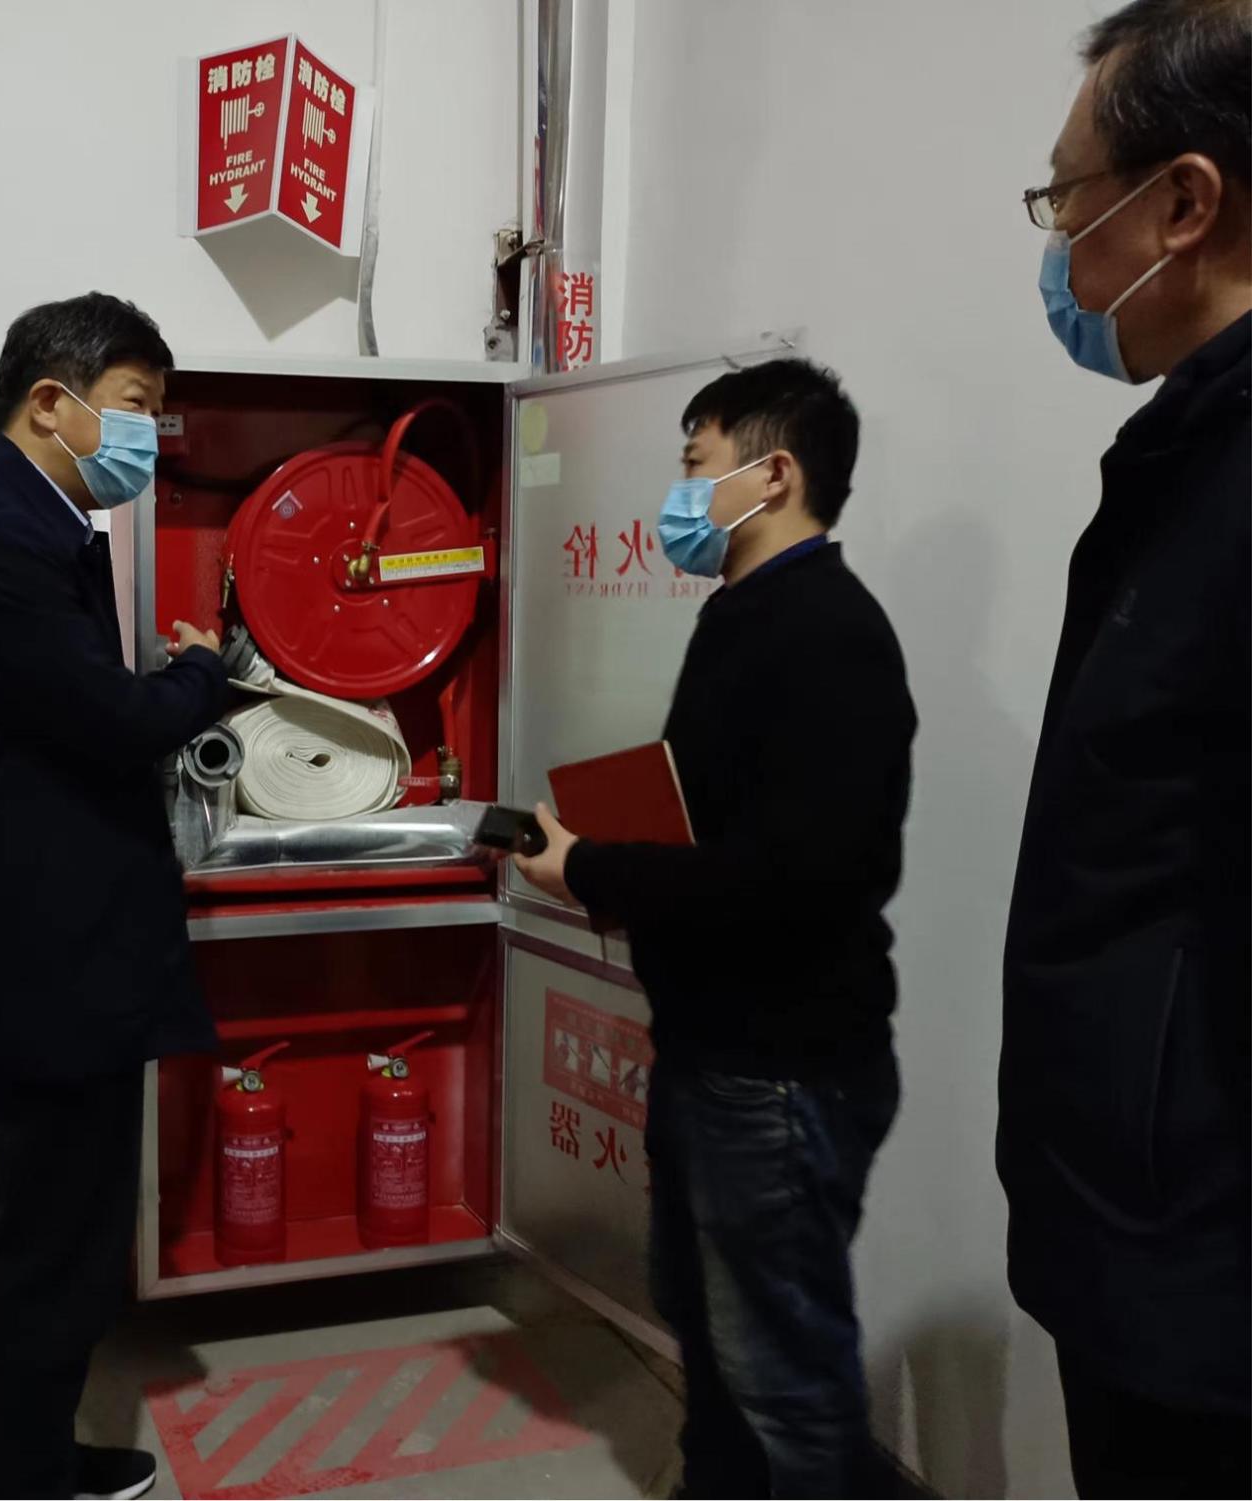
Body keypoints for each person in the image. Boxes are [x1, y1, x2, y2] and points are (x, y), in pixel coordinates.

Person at [514, 358, 915, 1498]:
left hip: (780, 1065)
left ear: (771, 474)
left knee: (781, 1370)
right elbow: (720, 826)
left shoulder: (827, 634)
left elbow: (793, 879)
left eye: (696, 464)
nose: (679, 493)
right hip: (714, 1046)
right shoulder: (748, 615)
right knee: (703, 1320)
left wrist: (589, 866)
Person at [0, 293, 228, 1500]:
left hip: (54, 948)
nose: (146, 435)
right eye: (134, 407)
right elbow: (108, 717)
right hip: (50, 970)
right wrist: (205, 675)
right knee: (49, 1250)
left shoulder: (24, 522)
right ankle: (20, 1484)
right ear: (49, 401)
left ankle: (36, 1461)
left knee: (65, 1244)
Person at [1003, 2, 1251, 1494]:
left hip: (1202, 1277)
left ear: (1183, 204)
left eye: (1066, 199)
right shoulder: (1183, 457)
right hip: (1139, 1232)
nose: (1057, 251)